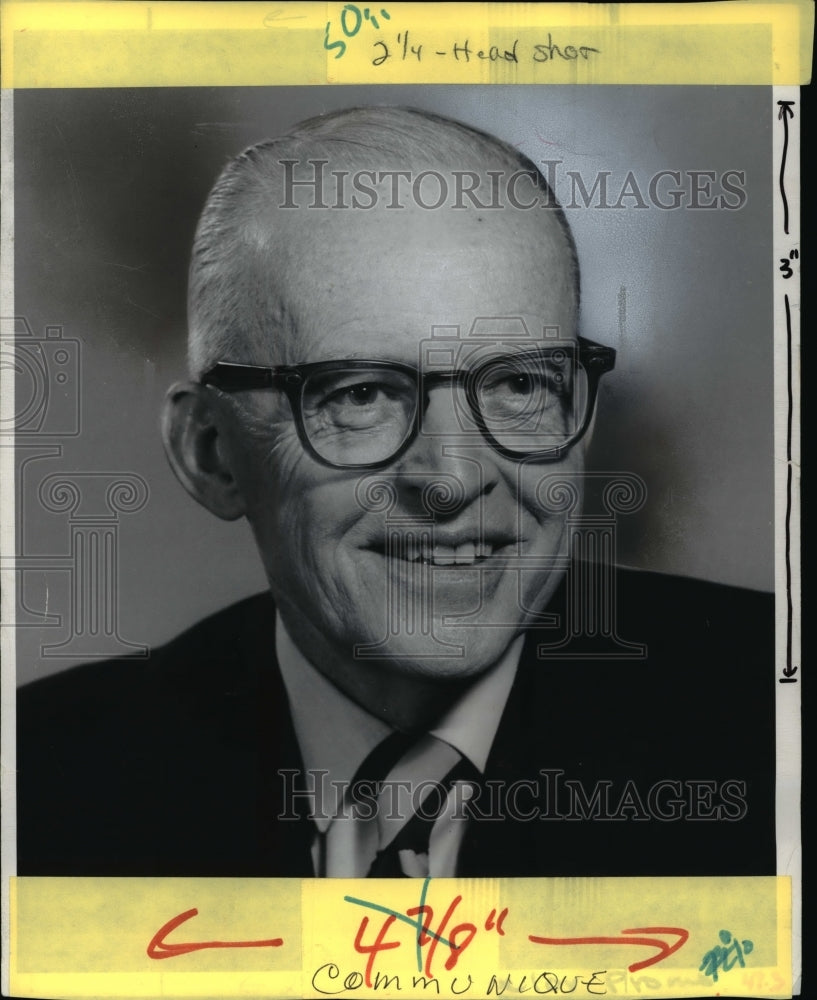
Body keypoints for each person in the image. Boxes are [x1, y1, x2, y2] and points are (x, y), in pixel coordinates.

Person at [16, 107, 775, 878]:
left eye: (518, 383)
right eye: (359, 396)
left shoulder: (774, 727)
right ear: (211, 452)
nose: (450, 480)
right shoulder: (41, 795)